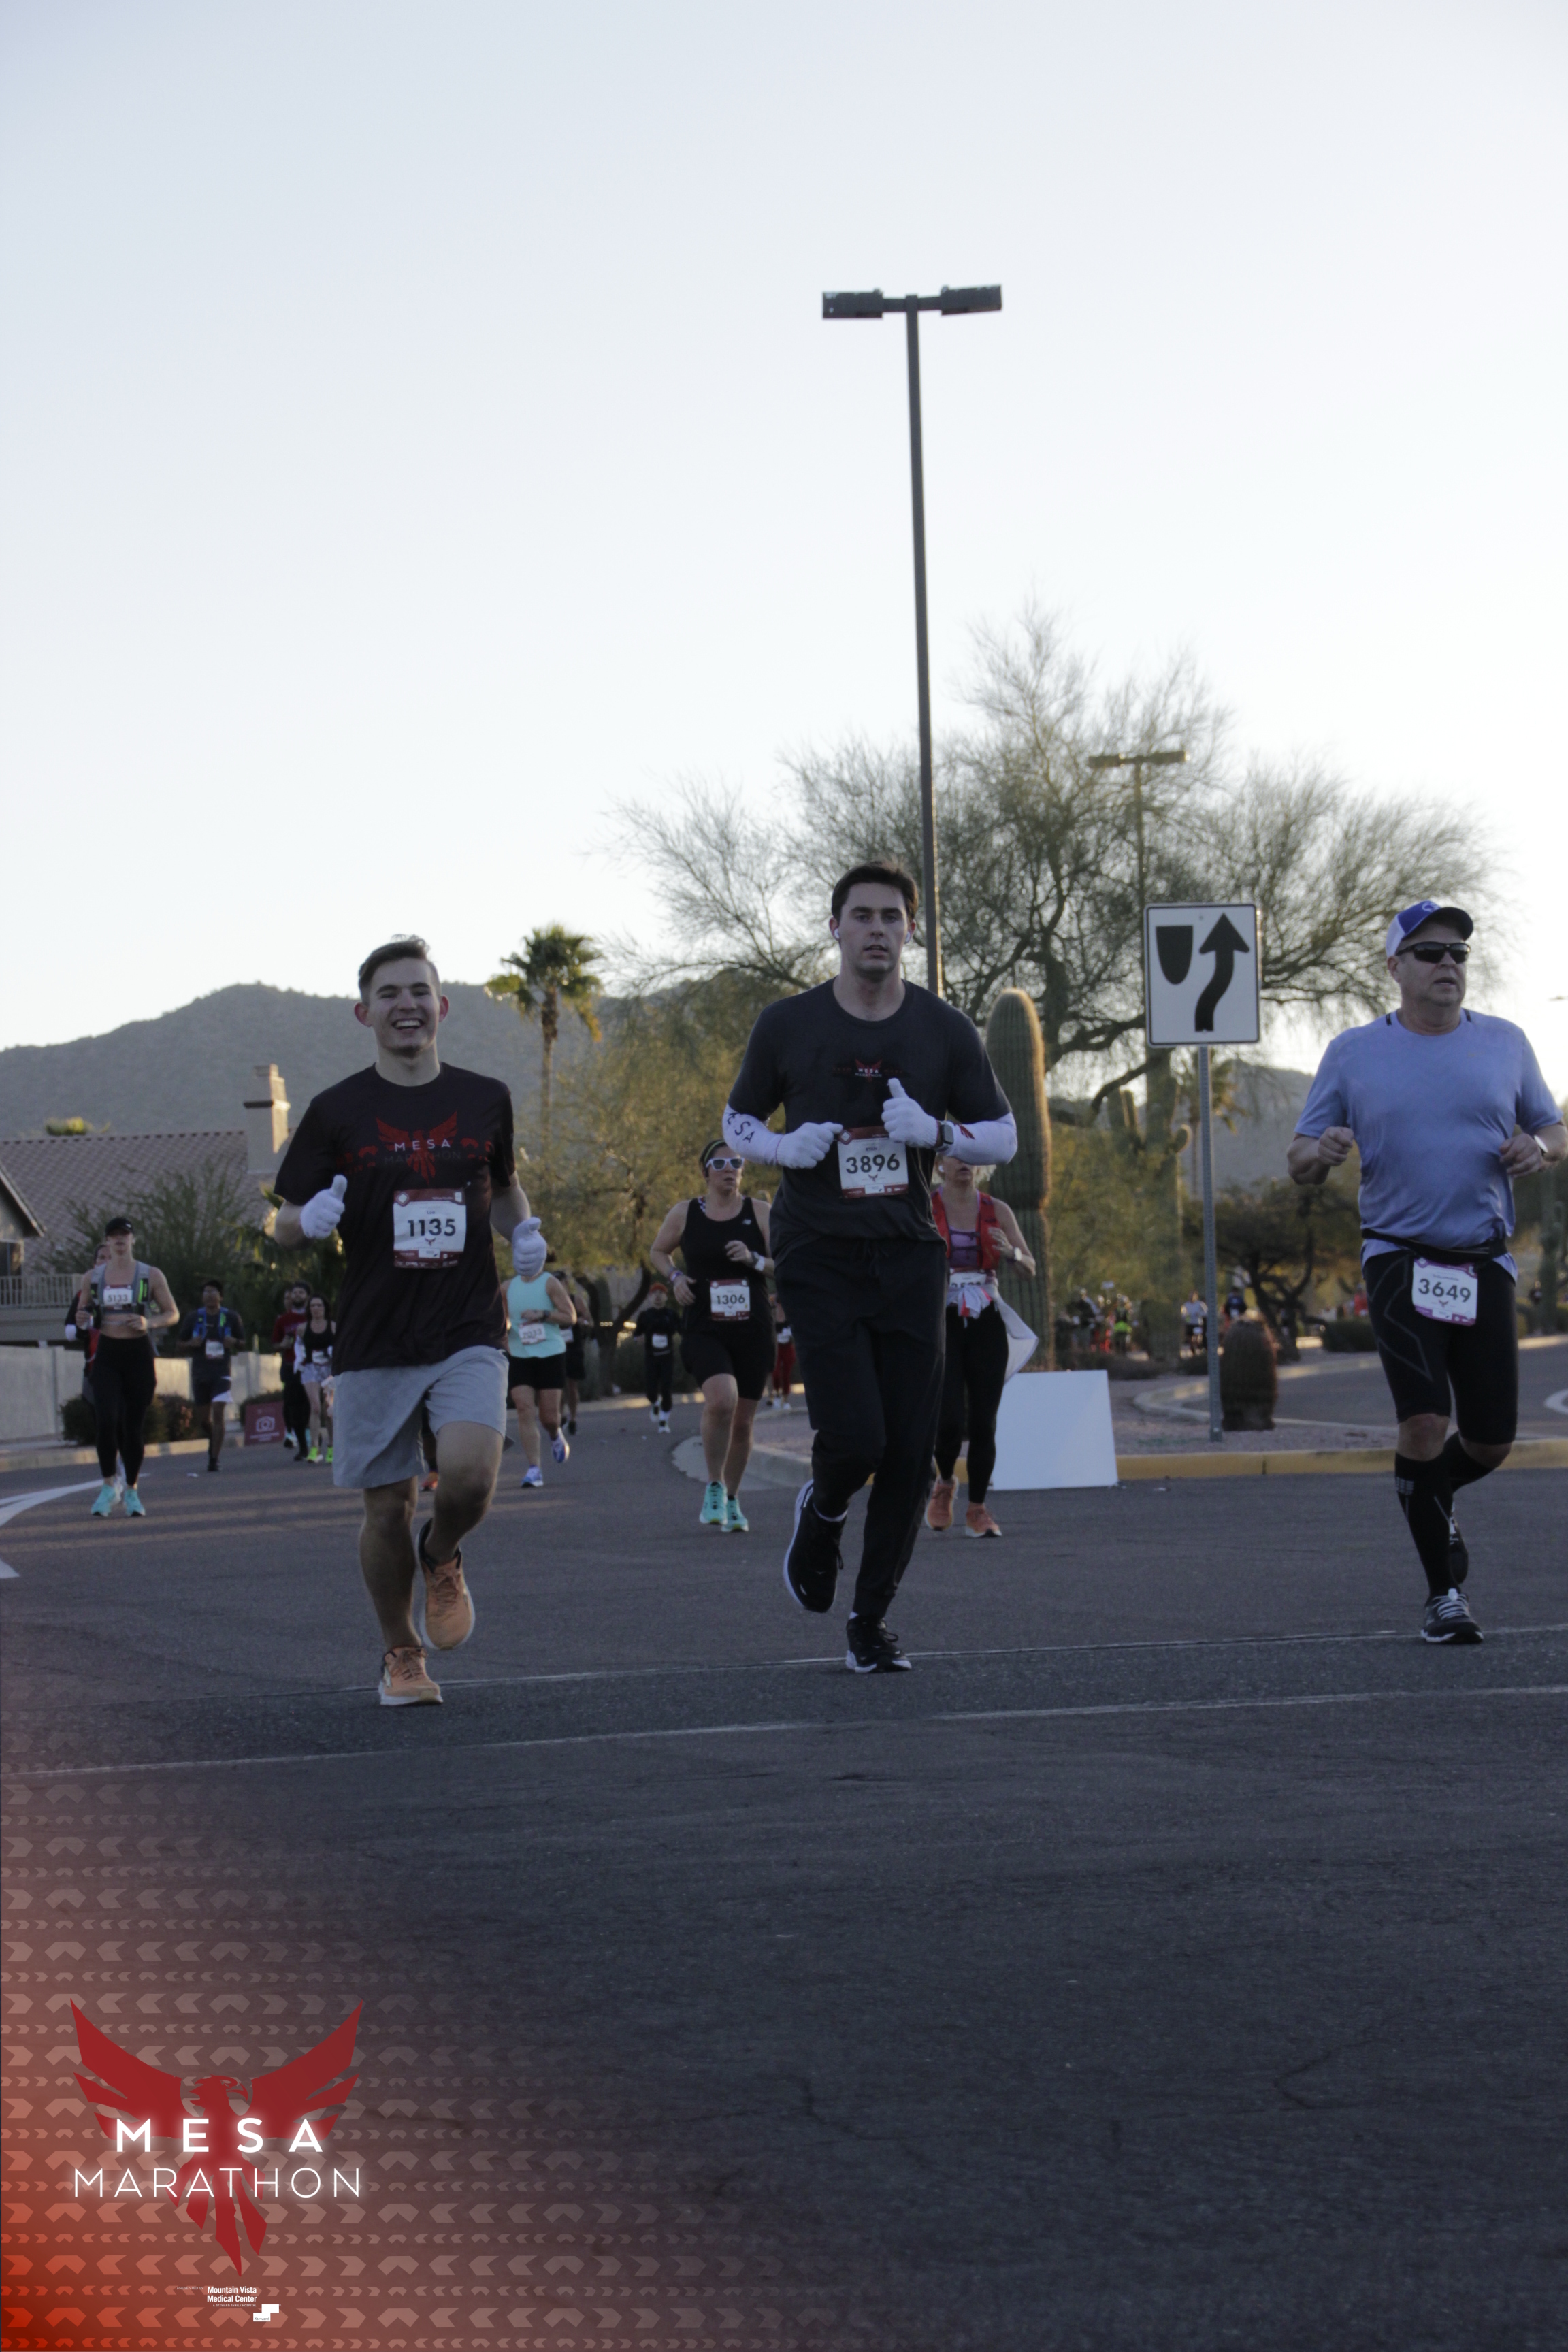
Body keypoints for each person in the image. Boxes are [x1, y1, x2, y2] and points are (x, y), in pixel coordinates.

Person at [723, 861, 1017, 1672]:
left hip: (909, 1255)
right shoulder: (789, 1023)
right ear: (836, 928)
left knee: (911, 1449)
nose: (877, 929)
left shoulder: (943, 1030)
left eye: (892, 916)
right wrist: (782, 1146)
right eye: (862, 915)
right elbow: (737, 1119)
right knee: (855, 1438)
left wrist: (938, 1134)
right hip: (817, 1251)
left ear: (911, 930)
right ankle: (821, 1513)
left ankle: (870, 1620)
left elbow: (1004, 1134)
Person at [272, 936, 549, 1708]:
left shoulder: (486, 1097)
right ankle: (401, 1652)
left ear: (442, 1006)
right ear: (364, 1013)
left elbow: (503, 1191)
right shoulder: (335, 1111)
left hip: (467, 1324)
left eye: (419, 991)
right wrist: (307, 1220)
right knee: (386, 1507)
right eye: (389, 993)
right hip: (376, 1335)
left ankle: (444, 1551)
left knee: (470, 1474)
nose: (407, 1005)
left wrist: (524, 1234)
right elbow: (283, 1224)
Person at [1288, 898, 1565, 1644]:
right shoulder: (1353, 1052)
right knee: (1422, 1421)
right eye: (1431, 953)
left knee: (1490, 1442)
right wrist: (1324, 1151)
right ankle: (1444, 1596)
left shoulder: (1506, 1043)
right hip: (1398, 1255)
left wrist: (1540, 1149)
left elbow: (1553, 1128)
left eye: (1458, 954)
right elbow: (1300, 1158)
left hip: (1483, 1259)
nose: (1449, 964)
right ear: (1395, 968)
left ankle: (1432, 1491)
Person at [650, 1141, 775, 1533]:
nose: (729, 1169)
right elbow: (658, 1251)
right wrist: (675, 1278)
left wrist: (754, 1259)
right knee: (722, 1400)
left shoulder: (760, 1212)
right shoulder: (685, 1212)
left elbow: (787, 1262)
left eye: (735, 1162)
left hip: (753, 1327)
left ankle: (732, 1500)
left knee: (743, 1422)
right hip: (705, 1325)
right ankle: (714, 1486)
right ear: (705, 1171)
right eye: (719, 1163)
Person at [926, 1156, 1036, 1539]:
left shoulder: (996, 1209)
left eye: (971, 1158)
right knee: (948, 1419)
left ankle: (977, 1509)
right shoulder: (925, 1206)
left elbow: (1029, 1268)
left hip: (986, 1318)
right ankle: (944, 1482)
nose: (964, 1164)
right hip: (942, 1319)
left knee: (984, 1421)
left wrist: (1012, 1253)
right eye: (956, 1156)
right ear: (940, 1164)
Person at [74, 1217, 178, 1518]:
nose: (119, 1240)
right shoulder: (93, 1277)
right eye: (114, 1235)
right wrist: (83, 1319)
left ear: (133, 1240)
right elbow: (83, 1313)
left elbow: (172, 1313)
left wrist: (149, 1322)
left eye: (125, 1235)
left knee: (132, 1427)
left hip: (138, 1355)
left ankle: (131, 1489)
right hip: (108, 1354)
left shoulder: (150, 1275)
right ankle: (109, 1485)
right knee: (106, 1421)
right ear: (107, 1241)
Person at [506, 1256, 576, 1488]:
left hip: (550, 1354)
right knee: (524, 1409)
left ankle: (555, 1434)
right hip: (519, 1355)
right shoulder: (507, 1288)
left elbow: (570, 1317)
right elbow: (501, 1318)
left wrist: (543, 1314)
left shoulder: (550, 1283)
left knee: (549, 1418)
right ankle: (534, 1469)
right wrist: (505, 1324)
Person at [178, 1280, 247, 1471]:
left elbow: (243, 1342)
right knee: (204, 1420)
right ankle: (213, 1439)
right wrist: (191, 1343)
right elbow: (179, 1344)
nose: (209, 1295)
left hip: (221, 1372)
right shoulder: (193, 1318)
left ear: (221, 1296)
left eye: (213, 1292)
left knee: (218, 1411)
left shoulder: (231, 1317)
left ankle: (214, 1459)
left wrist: (234, 1342)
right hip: (200, 1372)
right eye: (206, 1292)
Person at [272, 1281, 312, 1460]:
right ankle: (303, 1447)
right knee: (294, 1407)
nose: (297, 1296)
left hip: (312, 1366)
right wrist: (282, 1345)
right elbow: (275, 1344)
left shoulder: (314, 1316)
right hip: (291, 1366)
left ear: (307, 1296)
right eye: (295, 1293)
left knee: (311, 1406)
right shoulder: (283, 1320)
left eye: (301, 1293)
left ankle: (314, 1439)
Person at [294, 1294, 336, 1462]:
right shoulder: (302, 1328)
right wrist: (299, 1363)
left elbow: (341, 1347)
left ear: (325, 1308)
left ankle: (332, 1447)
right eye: (313, 1306)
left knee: (329, 1409)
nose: (316, 1309)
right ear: (309, 1309)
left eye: (319, 1305)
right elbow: (298, 1348)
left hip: (329, 1369)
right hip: (311, 1369)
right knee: (316, 1407)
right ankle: (315, 1449)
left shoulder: (333, 1327)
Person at [634, 1284, 680, 1430]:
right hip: (651, 1357)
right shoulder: (645, 1316)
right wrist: (638, 1339)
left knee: (666, 1389)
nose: (658, 1296)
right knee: (650, 1391)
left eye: (661, 1293)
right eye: (655, 1293)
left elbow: (682, 1330)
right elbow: (637, 1333)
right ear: (650, 1297)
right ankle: (655, 1403)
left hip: (667, 1357)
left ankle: (664, 1422)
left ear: (666, 1296)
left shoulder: (672, 1315)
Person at [559, 1275, 593, 1435]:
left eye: (560, 1282)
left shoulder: (576, 1300)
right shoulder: (549, 1302)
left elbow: (590, 1321)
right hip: (555, 1347)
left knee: (572, 1385)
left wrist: (582, 1321)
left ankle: (573, 1418)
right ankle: (561, 1415)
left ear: (566, 1284)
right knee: (557, 1385)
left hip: (573, 1347)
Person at [770, 1293, 796, 1410]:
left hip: (787, 1347)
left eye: (782, 1303)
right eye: (778, 1303)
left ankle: (786, 1400)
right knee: (775, 1374)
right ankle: (777, 1395)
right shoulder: (772, 1315)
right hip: (776, 1348)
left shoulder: (790, 1314)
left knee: (786, 1375)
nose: (780, 1305)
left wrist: (789, 1332)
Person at [1180, 1290, 1207, 1361]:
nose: (1191, 1297)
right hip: (1189, 1323)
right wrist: (1186, 1316)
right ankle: (1193, 1352)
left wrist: (1199, 1314)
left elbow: (1206, 1312)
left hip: (1197, 1323)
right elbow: (1183, 1313)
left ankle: (1199, 1348)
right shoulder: (1186, 1305)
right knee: (1190, 1339)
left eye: (1193, 1296)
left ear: (1196, 1296)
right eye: (1190, 1295)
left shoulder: (1200, 1304)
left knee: (1197, 1339)